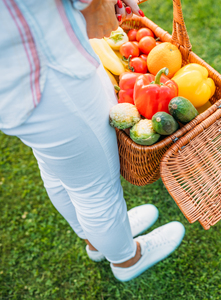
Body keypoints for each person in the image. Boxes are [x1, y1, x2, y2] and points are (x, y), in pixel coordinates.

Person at [0, 0, 185, 282]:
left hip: (15, 88)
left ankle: (97, 240)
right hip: (49, 74)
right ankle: (127, 258)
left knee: (60, 171)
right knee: (97, 190)